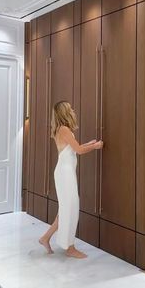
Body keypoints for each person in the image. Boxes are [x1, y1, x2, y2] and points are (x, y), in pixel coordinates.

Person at [39, 101, 103, 258]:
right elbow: (79, 151)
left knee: (66, 208)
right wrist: (95, 147)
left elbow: (73, 149)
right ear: (65, 112)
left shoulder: (61, 130)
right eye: (70, 108)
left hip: (64, 172)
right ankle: (70, 248)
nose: (73, 110)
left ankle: (45, 238)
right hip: (65, 174)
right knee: (71, 208)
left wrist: (89, 143)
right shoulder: (64, 129)